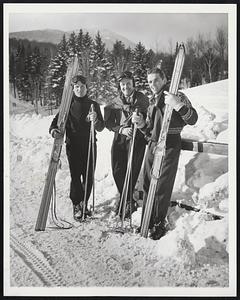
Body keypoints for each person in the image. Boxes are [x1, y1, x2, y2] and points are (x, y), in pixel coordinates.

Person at [132, 67, 198, 240]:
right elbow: (149, 130)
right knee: (147, 183)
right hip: (153, 145)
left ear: (164, 79)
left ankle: (158, 222)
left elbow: (193, 119)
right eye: (149, 82)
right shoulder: (152, 100)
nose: (152, 84)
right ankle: (146, 220)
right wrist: (140, 125)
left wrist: (177, 104)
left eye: (155, 80)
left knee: (162, 185)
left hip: (170, 143)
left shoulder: (177, 95)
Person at [49, 75, 104, 221]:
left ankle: (84, 202)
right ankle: (76, 204)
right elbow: (54, 123)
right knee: (75, 176)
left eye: (82, 86)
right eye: (77, 87)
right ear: (73, 89)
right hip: (73, 146)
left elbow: (101, 127)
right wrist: (55, 131)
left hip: (90, 145)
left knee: (89, 176)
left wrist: (96, 119)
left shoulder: (93, 105)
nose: (79, 89)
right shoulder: (67, 105)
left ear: (87, 88)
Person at [104, 71, 149, 218]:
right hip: (120, 138)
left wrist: (138, 120)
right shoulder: (115, 101)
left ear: (133, 84)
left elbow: (146, 113)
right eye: (123, 84)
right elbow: (108, 122)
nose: (126, 86)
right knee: (117, 169)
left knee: (132, 170)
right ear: (119, 86)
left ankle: (127, 201)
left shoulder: (141, 99)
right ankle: (126, 197)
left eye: (128, 83)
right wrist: (121, 129)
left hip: (137, 139)